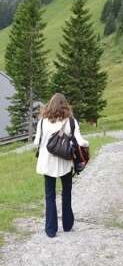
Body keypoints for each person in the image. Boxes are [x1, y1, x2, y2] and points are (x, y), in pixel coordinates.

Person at [34, 93, 89, 238]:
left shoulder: (42, 121)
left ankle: (51, 230)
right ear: (65, 105)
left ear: (49, 105)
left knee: (49, 195)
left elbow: (36, 142)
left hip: (47, 163)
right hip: (65, 162)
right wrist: (86, 145)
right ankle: (67, 224)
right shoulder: (71, 121)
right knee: (66, 192)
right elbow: (80, 141)